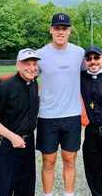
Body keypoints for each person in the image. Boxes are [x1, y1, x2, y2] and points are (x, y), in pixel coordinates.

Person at [36, 13, 85, 196]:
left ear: (69, 31)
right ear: (51, 30)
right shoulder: (40, 54)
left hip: (72, 115)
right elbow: (27, 76)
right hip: (47, 116)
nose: (60, 31)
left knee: (70, 160)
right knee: (48, 161)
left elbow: (92, 72)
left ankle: (69, 194)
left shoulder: (79, 53)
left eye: (64, 28)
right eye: (57, 28)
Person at [0, 48, 40, 196]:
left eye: (34, 63)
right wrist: (12, 137)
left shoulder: (34, 84)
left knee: (26, 187)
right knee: (4, 188)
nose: (31, 67)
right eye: (27, 63)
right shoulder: (5, 87)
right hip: (8, 145)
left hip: (28, 143)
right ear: (18, 65)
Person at [81, 45, 102, 196]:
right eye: (89, 59)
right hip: (91, 131)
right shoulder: (80, 78)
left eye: (96, 58)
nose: (93, 61)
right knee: (92, 167)